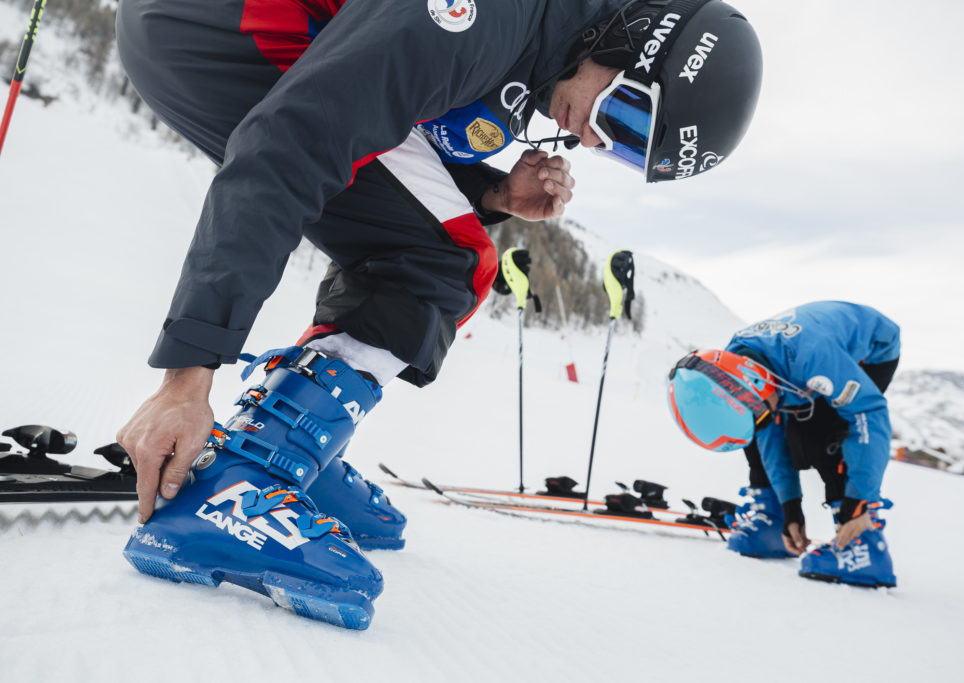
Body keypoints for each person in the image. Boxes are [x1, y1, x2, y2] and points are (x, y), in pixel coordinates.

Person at [114, 0, 763, 628]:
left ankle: (297, 449)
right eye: (624, 115)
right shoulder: (482, 16)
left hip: (243, 31)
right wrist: (186, 378)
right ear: (633, 35)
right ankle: (239, 481)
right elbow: (294, 137)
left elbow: (394, 108)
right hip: (228, 23)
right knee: (445, 257)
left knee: (432, 244)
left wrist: (492, 191)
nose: (595, 138)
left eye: (625, 147)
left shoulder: (542, 38)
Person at [667, 302, 900, 587]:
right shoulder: (733, 367)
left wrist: (858, 501)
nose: (764, 419)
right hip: (795, 359)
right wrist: (790, 508)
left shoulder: (814, 360)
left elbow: (869, 413)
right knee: (759, 432)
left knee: (821, 435)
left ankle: (863, 545)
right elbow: (768, 433)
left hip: (869, 352)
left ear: (757, 383)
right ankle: (772, 520)